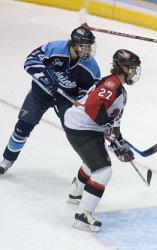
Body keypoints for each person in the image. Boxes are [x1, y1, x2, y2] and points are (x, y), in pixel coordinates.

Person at [0, 26, 100, 175]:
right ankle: (7, 161)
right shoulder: (55, 48)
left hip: (65, 100)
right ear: (73, 44)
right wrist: (44, 76)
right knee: (23, 127)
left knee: (77, 132)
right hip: (40, 93)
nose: (87, 50)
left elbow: (91, 88)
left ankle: (90, 165)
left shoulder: (91, 66)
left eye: (89, 47)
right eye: (84, 46)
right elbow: (30, 60)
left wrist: (80, 99)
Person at [63, 49, 141, 232]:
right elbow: (93, 108)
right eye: (131, 68)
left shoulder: (117, 87)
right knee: (103, 171)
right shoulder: (112, 85)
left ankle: (76, 193)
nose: (134, 72)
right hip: (81, 127)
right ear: (122, 67)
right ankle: (83, 215)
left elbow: (111, 119)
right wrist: (109, 130)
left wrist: (119, 142)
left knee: (93, 164)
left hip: (84, 125)